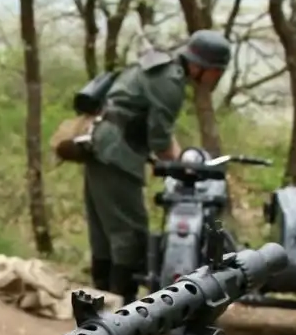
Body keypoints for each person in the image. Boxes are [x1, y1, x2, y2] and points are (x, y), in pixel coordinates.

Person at [84, 29, 232, 301]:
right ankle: (121, 303)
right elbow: (160, 139)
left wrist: (176, 158)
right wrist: (183, 167)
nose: (216, 77)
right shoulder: (171, 82)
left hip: (102, 146)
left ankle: (102, 298)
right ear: (201, 66)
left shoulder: (161, 67)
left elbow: (155, 130)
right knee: (131, 232)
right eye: (217, 71)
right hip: (117, 153)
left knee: (105, 231)